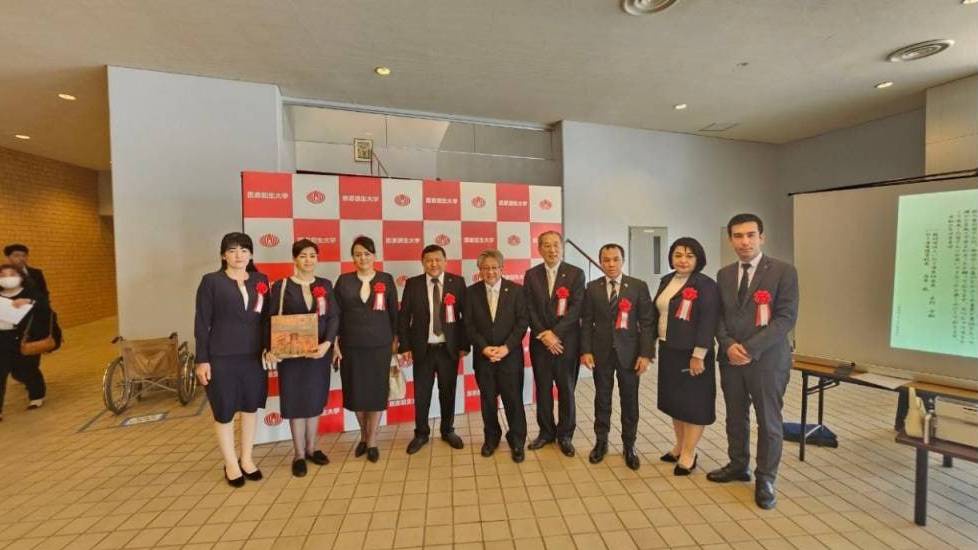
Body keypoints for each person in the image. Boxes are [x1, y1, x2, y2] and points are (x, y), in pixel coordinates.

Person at [708, 213, 799, 510]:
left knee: (768, 421)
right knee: (735, 416)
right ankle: (738, 464)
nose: (744, 242)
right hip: (731, 360)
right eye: (738, 236)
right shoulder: (724, 274)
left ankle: (766, 478)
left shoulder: (783, 271)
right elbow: (719, 317)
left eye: (750, 235)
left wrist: (748, 348)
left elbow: (785, 319)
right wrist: (728, 345)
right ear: (730, 240)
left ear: (762, 237)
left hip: (767, 360)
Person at [194, 232, 269, 488]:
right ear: (223, 255)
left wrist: (269, 348)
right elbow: (202, 323)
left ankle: (246, 459)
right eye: (233, 250)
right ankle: (230, 463)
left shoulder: (260, 280)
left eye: (244, 250)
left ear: (251, 254)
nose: (239, 255)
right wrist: (202, 360)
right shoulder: (211, 282)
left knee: (250, 408)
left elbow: (266, 320)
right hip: (221, 357)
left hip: (253, 357)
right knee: (224, 411)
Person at [265, 239, 340, 477]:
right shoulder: (282, 286)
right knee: (296, 403)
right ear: (295, 259)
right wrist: (272, 348)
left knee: (315, 402)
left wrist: (327, 344)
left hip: (318, 354)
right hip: (292, 356)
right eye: (303, 256)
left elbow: (334, 317)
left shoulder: (325, 284)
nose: (308, 260)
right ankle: (298, 454)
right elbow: (272, 319)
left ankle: (312, 448)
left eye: (312, 255)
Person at [580, 243, 653, 470]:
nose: (611, 264)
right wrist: (586, 350)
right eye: (606, 260)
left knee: (629, 400)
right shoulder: (592, 287)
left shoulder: (638, 286)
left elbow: (647, 323)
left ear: (623, 260)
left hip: (629, 354)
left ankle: (629, 445)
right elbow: (586, 322)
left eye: (615, 259)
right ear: (600, 261)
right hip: (601, 353)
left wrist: (646, 354)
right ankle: (601, 442)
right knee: (602, 399)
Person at [651, 237, 719, 476]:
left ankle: (689, 453)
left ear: (698, 259)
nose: (683, 260)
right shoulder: (666, 280)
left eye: (689, 256)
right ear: (671, 257)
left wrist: (699, 355)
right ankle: (679, 446)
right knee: (675, 401)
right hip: (669, 350)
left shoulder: (706, 285)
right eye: (678, 255)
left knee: (694, 404)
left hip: (693, 354)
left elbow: (708, 322)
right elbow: (658, 313)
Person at [397, 244, 469, 454]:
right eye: (429, 260)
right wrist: (404, 346)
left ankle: (447, 430)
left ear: (445, 261)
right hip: (423, 349)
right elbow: (404, 317)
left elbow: (466, 317)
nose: (433, 264)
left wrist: (464, 345)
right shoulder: (413, 284)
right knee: (422, 394)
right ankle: (421, 433)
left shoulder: (457, 282)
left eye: (438, 259)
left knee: (448, 392)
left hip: (448, 349)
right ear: (423, 263)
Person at [333, 236, 398, 463]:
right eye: (358, 254)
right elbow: (335, 314)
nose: (363, 258)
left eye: (367, 254)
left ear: (374, 256)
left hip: (380, 345)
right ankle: (363, 435)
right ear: (353, 257)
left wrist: (396, 341)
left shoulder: (386, 279)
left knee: (376, 393)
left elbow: (394, 312)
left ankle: (372, 441)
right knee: (356, 393)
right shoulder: (344, 281)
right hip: (351, 346)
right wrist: (335, 343)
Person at [523, 231, 585, 457]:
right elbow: (528, 308)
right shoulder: (531, 275)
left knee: (566, 389)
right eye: (547, 245)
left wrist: (555, 334)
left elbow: (576, 308)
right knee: (543, 389)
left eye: (556, 245)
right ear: (539, 249)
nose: (552, 249)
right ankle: (546, 432)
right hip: (541, 344)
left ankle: (565, 435)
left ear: (562, 247)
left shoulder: (576, 274)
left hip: (566, 343)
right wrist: (544, 334)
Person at [464, 249, 529, 463]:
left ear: (502, 268)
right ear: (479, 270)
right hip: (484, 358)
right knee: (488, 402)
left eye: (494, 267)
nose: (490, 272)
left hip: (510, 357)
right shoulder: (471, 293)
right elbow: (469, 325)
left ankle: (517, 440)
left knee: (513, 401)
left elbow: (522, 322)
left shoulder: (517, 291)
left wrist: (506, 348)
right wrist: (484, 348)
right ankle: (491, 438)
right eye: (485, 268)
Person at [0, 263, 51, 418]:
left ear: (21, 277)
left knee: (27, 369)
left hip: (24, 338)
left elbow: (45, 310)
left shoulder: (31, 293)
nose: (7, 278)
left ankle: (36, 396)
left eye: (12, 274)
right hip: (2, 338)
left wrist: (29, 302)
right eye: (3, 275)